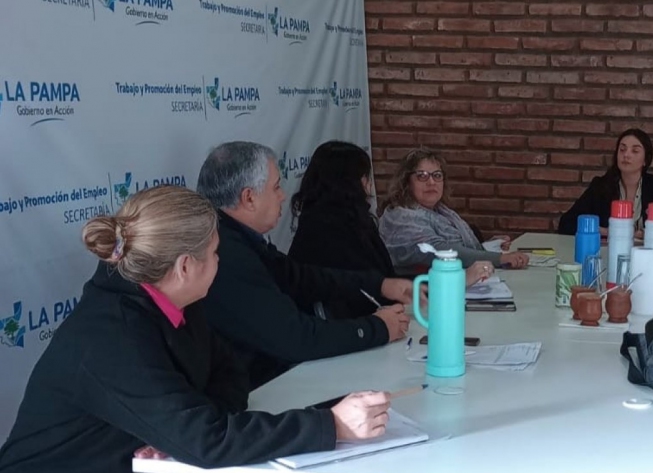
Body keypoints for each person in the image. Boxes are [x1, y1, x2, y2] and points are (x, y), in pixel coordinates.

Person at [0, 186, 391, 473]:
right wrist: (332, 425)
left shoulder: (174, 301)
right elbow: (209, 441)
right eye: (215, 253)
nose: (220, 262)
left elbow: (228, 375)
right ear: (185, 266)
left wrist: (174, 434)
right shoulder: (108, 338)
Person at [196, 141, 412, 389]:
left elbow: (299, 276)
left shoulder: (238, 238)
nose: (283, 196)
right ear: (249, 198)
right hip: (255, 392)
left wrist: (380, 285)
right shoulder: (224, 255)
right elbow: (295, 337)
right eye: (276, 187)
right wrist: (378, 328)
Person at [288, 141, 496, 318]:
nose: (369, 186)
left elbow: (385, 283)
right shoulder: (329, 231)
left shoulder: (351, 220)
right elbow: (375, 290)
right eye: (422, 176)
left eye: (437, 175)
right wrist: (454, 281)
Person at [379, 147, 528, 274]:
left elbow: (458, 248)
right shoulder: (401, 216)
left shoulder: (441, 212)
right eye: (422, 176)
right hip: (423, 291)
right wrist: (499, 259)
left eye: (437, 175)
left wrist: (489, 247)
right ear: (406, 182)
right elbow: (439, 251)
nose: (431, 182)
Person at [558, 128, 653, 239]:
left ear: (645, 160)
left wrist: (647, 234)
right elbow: (566, 223)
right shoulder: (601, 186)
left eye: (635, 151)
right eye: (622, 149)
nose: (626, 155)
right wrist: (605, 231)